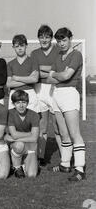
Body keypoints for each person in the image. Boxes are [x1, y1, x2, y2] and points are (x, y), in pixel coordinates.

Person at [47, 27, 86, 181]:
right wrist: (59, 76)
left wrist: (57, 75)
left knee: (74, 133)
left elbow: (67, 75)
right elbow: (50, 79)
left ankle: (80, 169)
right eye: (59, 41)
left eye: (64, 40)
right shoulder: (58, 57)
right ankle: (65, 164)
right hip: (56, 94)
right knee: (63, 133)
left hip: (69, 93)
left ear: (70, 39)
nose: (61, 43)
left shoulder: (76, 55)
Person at [30, 25, 62, 166]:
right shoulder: (34, 53)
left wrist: (43, 69)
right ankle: (40, 156)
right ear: (38, 38)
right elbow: (36, 73)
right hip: (39, 89)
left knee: (58, 126)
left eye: (47, 37)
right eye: (41, 37)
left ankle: (65, 156)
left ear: (51, 38)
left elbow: (60, 69)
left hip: (55, 89)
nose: (44, 40)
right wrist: (51, 70)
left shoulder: (58, 50)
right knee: (42, 126)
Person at [5, 90, 40, 178]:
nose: (21, 105)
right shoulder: (10, 113)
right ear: (13, 103)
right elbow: (14, 134)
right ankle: (17, 167)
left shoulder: (34, 115)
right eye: (18, 102)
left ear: (27, 103)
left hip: (30, 145)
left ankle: (24, 162)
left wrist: (13, 138)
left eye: (24, 102)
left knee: (32, 175)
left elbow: (34, 138)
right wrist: (30, 134)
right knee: (19, 145)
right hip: (17, 144)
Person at [6, 34, 39, 112]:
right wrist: (28, 79)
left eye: (22, 45)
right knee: (14, 121)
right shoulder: (10, 63)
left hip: (29, 93)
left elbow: (35, 79)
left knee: (32, 121)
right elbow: (9, 84)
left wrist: (16, 78)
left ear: (26, 45)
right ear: (13, 47)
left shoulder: (33, 61)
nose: (20, 48)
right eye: (17, 46)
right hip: (14, 94)